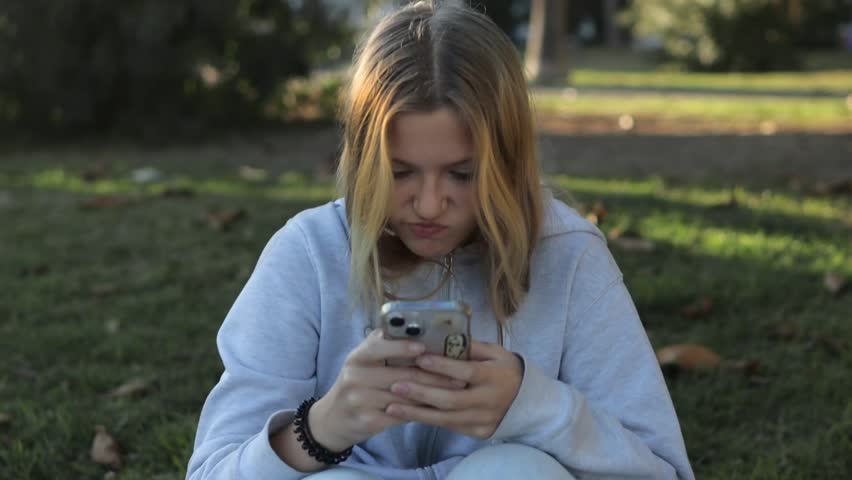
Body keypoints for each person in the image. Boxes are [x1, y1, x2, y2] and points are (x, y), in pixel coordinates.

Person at [186, 1, 695, 479]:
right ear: (364, 162)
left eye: (462, 173)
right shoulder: (309, 253)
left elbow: (662, 469)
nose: (429, 205)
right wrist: (321, 428)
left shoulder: (569, 254)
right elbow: (211, 470)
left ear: (510, 166)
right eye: (400, 172)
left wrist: (533, 406)